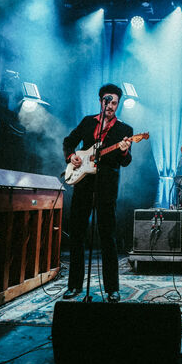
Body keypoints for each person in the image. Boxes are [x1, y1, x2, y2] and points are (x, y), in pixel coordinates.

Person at [62, 84, 133, 302]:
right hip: (83, 183)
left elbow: (126, 161)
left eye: (114, 103)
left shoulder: (124, 130)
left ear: (118, 104)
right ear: (101, 101)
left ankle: (112, 288)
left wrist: (124, 151)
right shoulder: (87, 121)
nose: (110, 105)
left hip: (106, 185)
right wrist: (71, 156)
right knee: (77, 235)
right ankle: (74, 285)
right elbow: (68, 142)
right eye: (107, 101)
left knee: (107, 236)